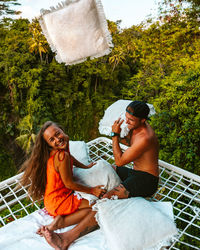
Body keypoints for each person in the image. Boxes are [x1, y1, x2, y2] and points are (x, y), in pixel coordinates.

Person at [39, 101, 159, 249]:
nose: (127, 122)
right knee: (106, 168)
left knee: (106, 201)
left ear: (143, 120)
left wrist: (114, 135)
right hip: (135, 172)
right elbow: (126, 145)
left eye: (130, 120)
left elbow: (120, 160)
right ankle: (66, 218)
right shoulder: (135, 128)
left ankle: (66, 239)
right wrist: (115, 130)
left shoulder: (145, 137)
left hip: (146, 180)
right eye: (126, 117)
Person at [19, 121, 106, 232]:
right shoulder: (61, 156)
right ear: (49, 145)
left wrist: (85, 167)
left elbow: (71, 158)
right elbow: (69, 184)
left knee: (92, 206)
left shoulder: (61, 150)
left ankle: (61, 216)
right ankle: (59, 223)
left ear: (62, 130)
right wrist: (92, 190)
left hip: (52, 200)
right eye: (52, 140)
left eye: (57, 134)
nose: (57, 139)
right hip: (59, 201)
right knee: (95, 207)